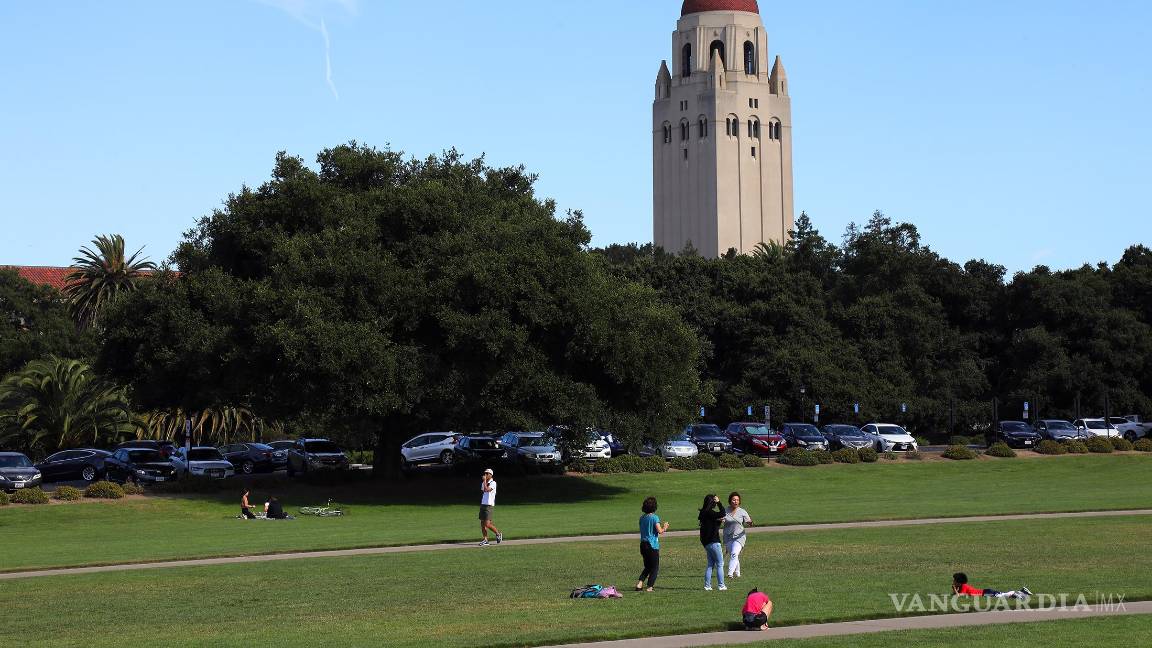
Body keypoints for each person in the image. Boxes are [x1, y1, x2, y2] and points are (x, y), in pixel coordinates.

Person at [635, 496, 670, 592]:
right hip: (652, 545)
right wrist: (665, 527)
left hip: (643, 544)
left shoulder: (642, 518)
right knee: (655, 567)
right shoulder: (655, 517)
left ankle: (640, 583)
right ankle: (650, 586)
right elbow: (660, 531)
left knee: (648, 566)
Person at [699, 493, 727, 591]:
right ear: (713, 502)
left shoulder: (703, 513)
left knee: (710, 564)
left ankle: (707, 586)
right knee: (720, 564)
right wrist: (719, 503)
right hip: (714, 542)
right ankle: (721, 585)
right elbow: (723, 512)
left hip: (706, 543)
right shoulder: (710, 512)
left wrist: (718, 521)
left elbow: (711, 524)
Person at [724, 491, 753, 579]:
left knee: (734, 554)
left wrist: (749, 522)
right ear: (730, 501)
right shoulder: (725, 510)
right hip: (728, 536)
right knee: (734, 555)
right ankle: (737, 573)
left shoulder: (742, 511)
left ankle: (730, 573)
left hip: (739, 537)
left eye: (737, 500)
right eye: (733, 500)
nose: (735, 501)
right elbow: (719, 519)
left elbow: (750, 522)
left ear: (739, 501)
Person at [952, 573, 1032, 600]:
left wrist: (954, 589)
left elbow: (958, 596)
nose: (953, 582)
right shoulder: (961, 587)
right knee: (1004, 596)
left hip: (986, 593)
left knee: (1004, 595)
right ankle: (1023, 592)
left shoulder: (964, 587)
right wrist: (955, 589)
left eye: (954, 580)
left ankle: (1020, 593)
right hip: (985, 592)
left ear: (959, 582)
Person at [479, 468, 502, 547]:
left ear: (491, 475)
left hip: (489, 505)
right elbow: (483, 490)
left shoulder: (493, 483)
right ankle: (485, 539)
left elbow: (486, 489)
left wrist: (484, 481)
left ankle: (498, 534)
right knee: (482, 523)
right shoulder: (484, 482)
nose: (485, 474)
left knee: (487, 524)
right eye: (485, 473)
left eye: (487, 473)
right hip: (483, 504)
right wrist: (484, 481)